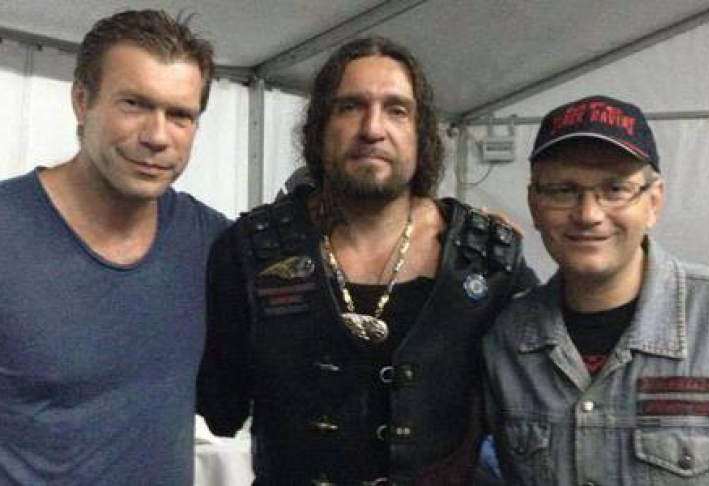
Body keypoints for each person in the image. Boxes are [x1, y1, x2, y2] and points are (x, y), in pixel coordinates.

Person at [197, 36, 537, 485]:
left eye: (396, 110)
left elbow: (537, 411)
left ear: (421, 134)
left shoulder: (487, 261)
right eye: (350, 106)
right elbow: (220, 410)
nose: (372, 129)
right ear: (320, 128)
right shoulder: (248, 252)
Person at [0, 10, 229, 484]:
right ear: (82, 101)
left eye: (180, 115)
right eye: (134, 104)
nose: (157, 136)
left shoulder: (211, 242)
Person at [482, 95, 709, 484]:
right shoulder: (506, 339)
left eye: (615, 189)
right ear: (534, 204)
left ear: (654, 202)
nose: (588, 214)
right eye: (562, 190)